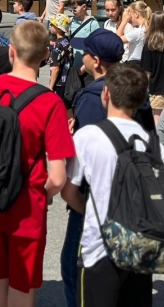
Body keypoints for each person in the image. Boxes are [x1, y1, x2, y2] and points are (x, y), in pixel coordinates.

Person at [0, 20, 75, 307]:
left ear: (11, 51)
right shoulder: (50, 103)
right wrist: (42, 194)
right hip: (28, 210)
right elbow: (58, 178)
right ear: (45, 56)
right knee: (21, 290)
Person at [62, 64, 164, 307]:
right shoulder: (150, 142)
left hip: (100, 250)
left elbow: (68, 192)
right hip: (141, 249)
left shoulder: (88, 136)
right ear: (141, 100)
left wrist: (91, 209)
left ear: (106, 93)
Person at [61, 28, 125, 307]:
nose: (82, 56)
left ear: (96, 61)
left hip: (92, 198)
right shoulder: (133, 89)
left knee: (73, 268)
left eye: (85, 52)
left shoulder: (91, 97)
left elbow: (86, 151)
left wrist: (69, 137)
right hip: (125, 193)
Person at [68, 0, 99, 65]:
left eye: (74, 9)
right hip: (73, 62)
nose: (72, 11)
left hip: (86, 64)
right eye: (71, 9)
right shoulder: (70, 21)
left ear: (84, 7)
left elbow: (96, 45)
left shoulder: (92, 23)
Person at [48, 13, 72, 92]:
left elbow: (56, 68)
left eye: (52, 24)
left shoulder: (57, 44)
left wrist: (51, 86)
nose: (50, 26)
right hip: (67, 79)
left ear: (58, 28)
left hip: (58, 82)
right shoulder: (66, 40)